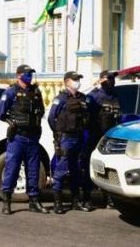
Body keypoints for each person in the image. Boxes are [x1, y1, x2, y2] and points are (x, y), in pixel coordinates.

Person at [0, 65, 48, 215]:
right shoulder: (11, 91)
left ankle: (34, 201)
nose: (30, 76)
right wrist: (11, 122)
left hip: (32, 137)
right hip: (17, 137)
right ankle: (7, 201)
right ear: (18, 75)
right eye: (27, 73)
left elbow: (42, 111)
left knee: (33, 170)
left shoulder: (36, 92)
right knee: (12, 169)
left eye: (31, 73)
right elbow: (0, 113)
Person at [48, 71, 93, 214]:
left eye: (78, 79)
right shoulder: (60, 98)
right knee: (61, 170)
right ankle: (57, 202)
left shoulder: (83, 98)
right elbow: (51, 118)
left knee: (76, 170)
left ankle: (75, 201)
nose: (77, 82)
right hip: (66, 138)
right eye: (75, 79)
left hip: (79, 137)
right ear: (67, 82)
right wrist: (58, 134)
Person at [86, 70, 122, 209]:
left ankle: (109, 199)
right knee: (92, 167)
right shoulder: (95, 96)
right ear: (102, 80)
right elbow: (84, 101)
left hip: (111, 140)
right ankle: (88, 197)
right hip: (96, 137)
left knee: (109, 169)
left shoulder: (115, 96)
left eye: (113, 79)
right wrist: (94, 85)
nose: (112, 81)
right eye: (109, 78)